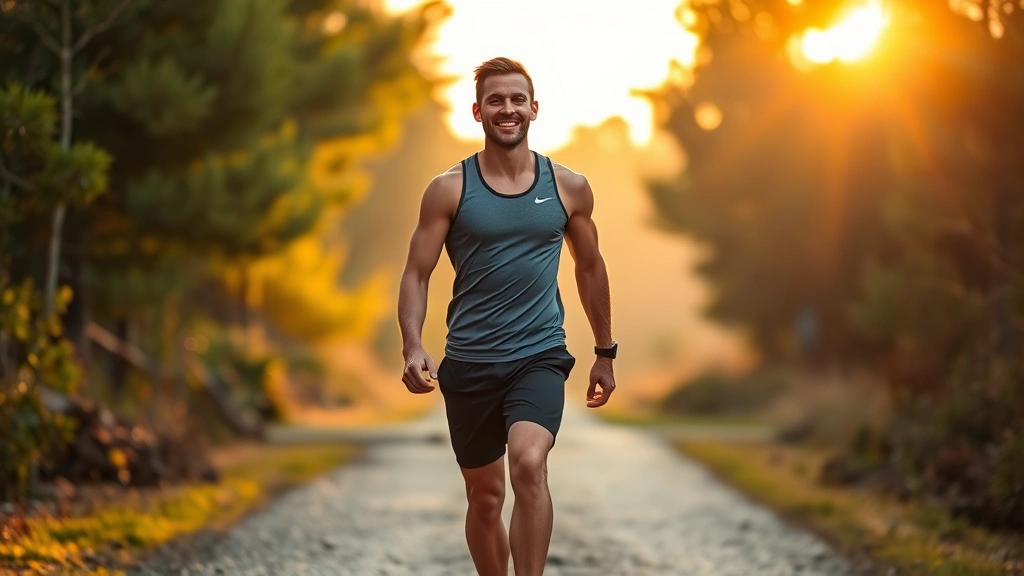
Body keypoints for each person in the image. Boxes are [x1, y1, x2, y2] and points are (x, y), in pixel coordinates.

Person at [397, 56, 617, 576]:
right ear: (477, 111)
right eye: (496, 99)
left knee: (528, 462)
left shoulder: (569, 187)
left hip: (538, 355)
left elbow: (590, 269)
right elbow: (416, 274)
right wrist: (412, 344)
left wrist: (605, 351)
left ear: (534, 108)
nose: (508, 108)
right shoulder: (449, 189)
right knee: (485, 498)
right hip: (470, 361)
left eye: (517, 99)